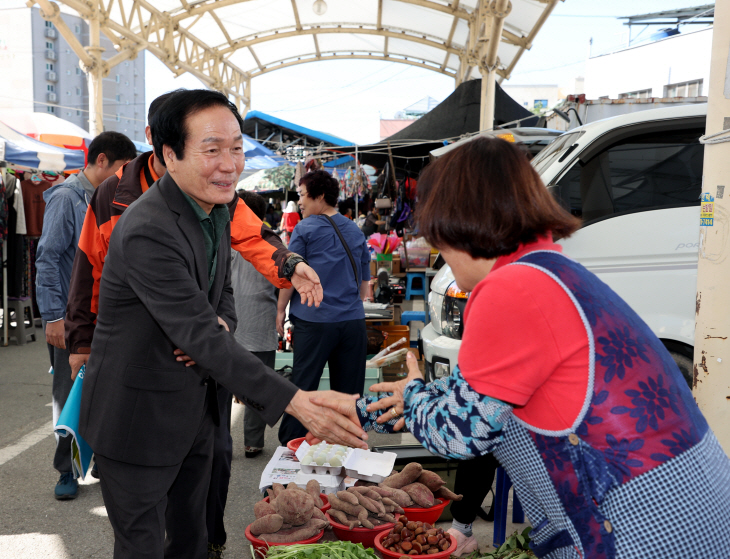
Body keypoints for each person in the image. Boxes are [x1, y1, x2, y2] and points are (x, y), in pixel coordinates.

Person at [316, 136, 730, 559]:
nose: (441, 254)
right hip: (691, 502)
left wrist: (415, 394)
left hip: (637, 527)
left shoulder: (510, 290)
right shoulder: (551, 271)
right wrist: (364, 409)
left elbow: (462, 433)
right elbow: (482, 395)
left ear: (459, 220)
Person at [78, 89, 368, 559]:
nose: (229, 163)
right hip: (138, 417)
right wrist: (296, 400)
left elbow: (221, 294)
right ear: (168, 155)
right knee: (143, 547)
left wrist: (222, 324)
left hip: (196, 413)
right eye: (211, 149)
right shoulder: (147, 226)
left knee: (193, 538)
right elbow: (197, 332)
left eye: (236, 147)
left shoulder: (218, 209)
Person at [35, 131, 136, 501]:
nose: (126, 178)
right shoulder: (66, 197)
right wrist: (52, 316)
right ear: (102, 160)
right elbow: (47, 258)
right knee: (68, 393)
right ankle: (65, 470)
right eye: (123, 169)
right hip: (70, 318)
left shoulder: (109, 199)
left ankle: (97, 461)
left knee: (104, 390)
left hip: (105, 318)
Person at [277, 170, 371, 445]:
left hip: (314, 322)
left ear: (319, 196)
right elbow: (365, 285)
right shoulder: (354, 229)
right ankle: (350, 446)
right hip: (352, 323)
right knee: (350, 393)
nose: (300, 202)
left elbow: (291, 275)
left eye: (303, 196)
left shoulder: (305, 229)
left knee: (303, 387)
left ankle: (290, 448)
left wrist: (280, 310)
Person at [231, 191, 279, 459]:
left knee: (219, 384)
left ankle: (214, 441)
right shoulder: (271, 240)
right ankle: (253, 442)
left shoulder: (221, 237)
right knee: (258, 385)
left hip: (227, 323)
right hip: (260, 320)